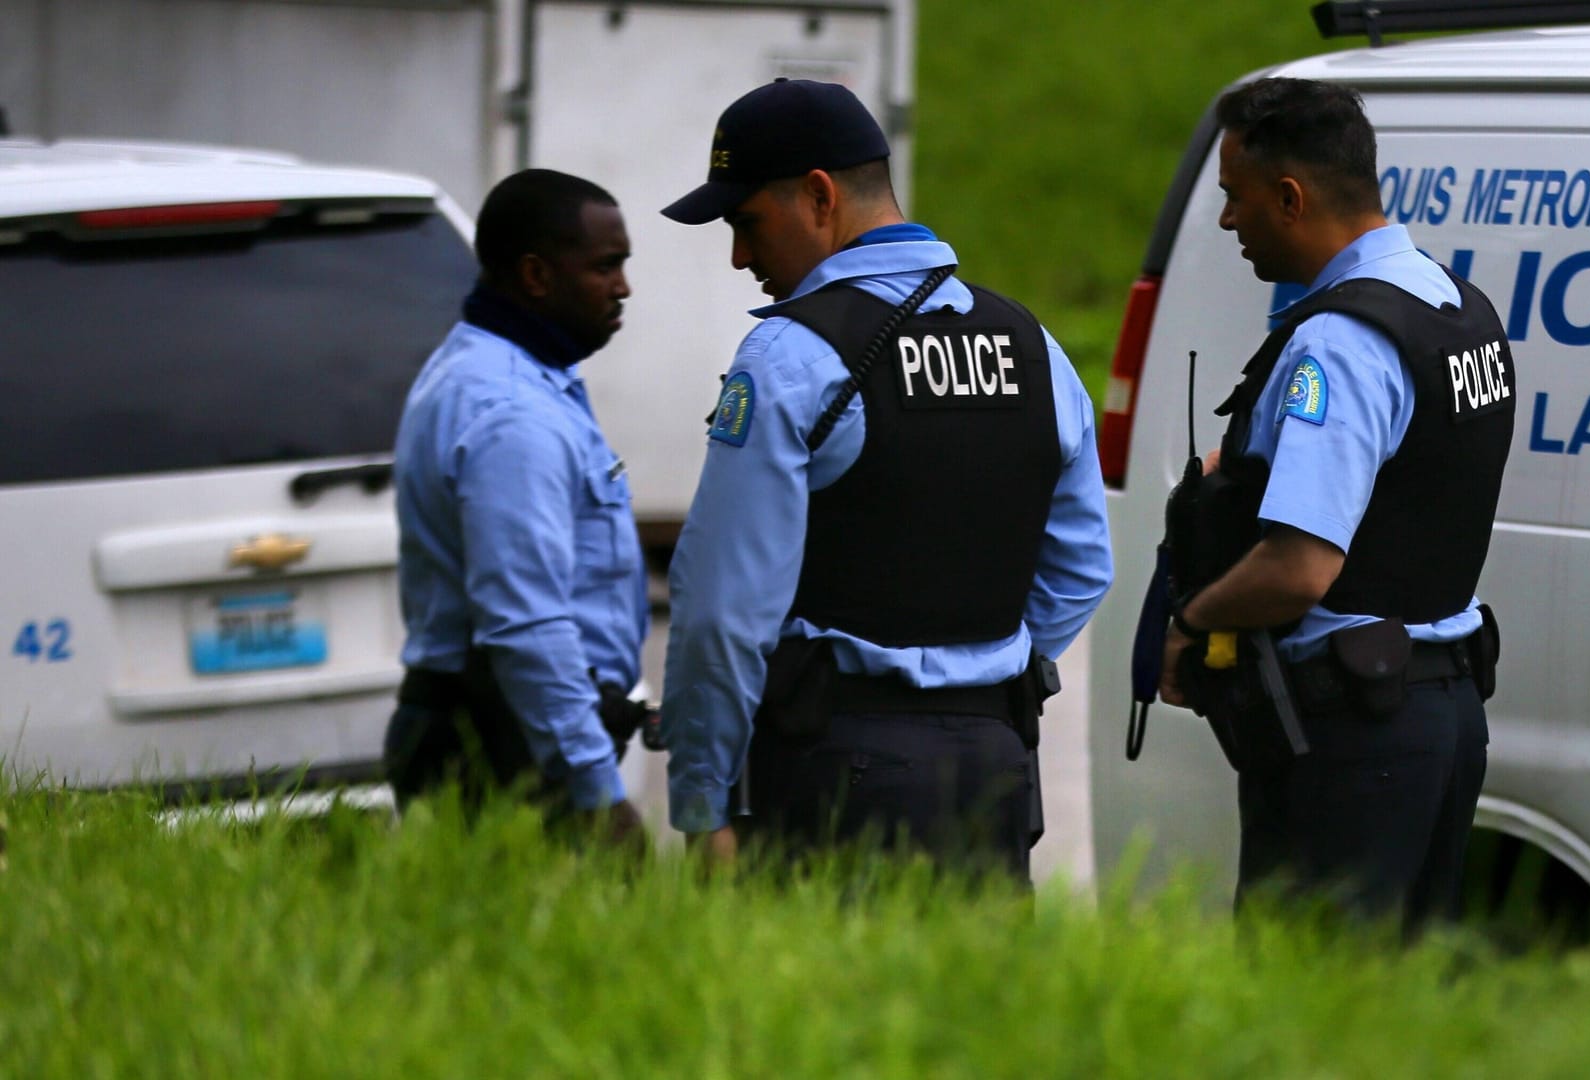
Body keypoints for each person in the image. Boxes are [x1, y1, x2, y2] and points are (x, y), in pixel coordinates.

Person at [658, 79, 1112, 876]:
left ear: (819, 196)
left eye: (746, 222)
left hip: (839, 771)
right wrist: (980, 679)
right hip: (994, 767)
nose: (739, 257)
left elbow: (722, 611)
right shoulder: (1031, 344)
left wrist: (706, 803)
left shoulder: (789, 357)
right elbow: (1080, 567)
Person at [1158, 77, 1514, 930]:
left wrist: (1193, 621)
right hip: (1442, 710)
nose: (1225, 221)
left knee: (1303, 1016)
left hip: (1356, 734)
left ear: (1290, 197)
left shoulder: (1341, 343)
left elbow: (1300, 567)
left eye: (1234, 199)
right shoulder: (1459, 309)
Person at [384, 168, 649, 849]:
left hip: (508, 735)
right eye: (605, 266)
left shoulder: (508, 371)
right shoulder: (510, 412)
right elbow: (526, 625)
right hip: (502, 751)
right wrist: (597, 795)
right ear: (535, 275)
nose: (623, 287)